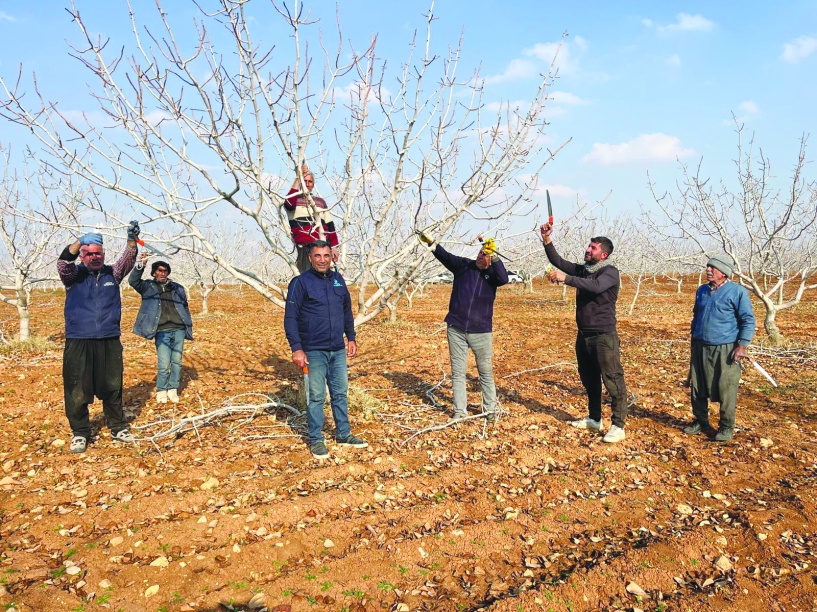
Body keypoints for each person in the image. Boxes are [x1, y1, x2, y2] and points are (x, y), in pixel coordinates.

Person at [540, 223, 629, 443]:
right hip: (584, 335)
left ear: (604, 254)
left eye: (593, 248)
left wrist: (565, 279)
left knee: (612, 380)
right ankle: (594, 418)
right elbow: (559, 262)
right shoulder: (584, 269)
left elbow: (596, 287)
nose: (588, 250)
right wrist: (547, 239)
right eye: (589, 246)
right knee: (589, 379)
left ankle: (618, 425)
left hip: (604, 336)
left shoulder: (609, 272)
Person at [57, 222, 140, 453]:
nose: (95, 257)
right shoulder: (73, 276)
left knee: (112, 385)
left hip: (108, 338)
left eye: (98, 253)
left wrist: (132, 240)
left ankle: (117, 426)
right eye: (89, 253)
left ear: (103, 255)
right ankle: (81, 432)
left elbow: (128, 259)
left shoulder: (112, 274)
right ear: (83, 255)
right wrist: (80, 241)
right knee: (76, 388)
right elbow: (63, 263)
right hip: (79, 339)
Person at [284, 240, 368, 459]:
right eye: (317, 256)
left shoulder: (338, 280)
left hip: (337, 350)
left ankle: (343, 433)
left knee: (340, 393)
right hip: (313, 351)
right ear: (310, 258)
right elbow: (290, 317)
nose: (322, 260)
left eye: (326, 256)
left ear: (332, 257)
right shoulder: (300, 283)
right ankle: (316, 439)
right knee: (316, 396)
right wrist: (297, 348)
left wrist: (351, 337)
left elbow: (346, 311)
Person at [420, 232, 508, 422]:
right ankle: (460, 412)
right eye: (479, 253)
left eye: (484, 255)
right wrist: (433, 244)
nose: (480, 256)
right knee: (458, 373)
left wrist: (495, 256)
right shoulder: (464, 267)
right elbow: (445, 256)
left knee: (485, 372)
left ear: (490, 259)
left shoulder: (493, 275)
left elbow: (504, 278)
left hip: (481, 331)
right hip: (457, 328)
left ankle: (490, 411)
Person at [684, 254, 756, 442]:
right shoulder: (701, 291)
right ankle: (701, 421)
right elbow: (696, 316)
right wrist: (693, 340)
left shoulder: (737, 292)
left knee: (726, 388)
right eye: (708, 267)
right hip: (700, 346)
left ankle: (726, 427)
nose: (708, 270)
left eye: (713, 268)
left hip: (725, 349)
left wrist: (742, 345)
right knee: (697, 387)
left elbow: (748, 320)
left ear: (724, 273)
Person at [129, 253, 194, 404]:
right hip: (161, 331)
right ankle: (161, 390)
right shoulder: (147, 287)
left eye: (165, 271)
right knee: (164, 363)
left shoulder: (176, 287)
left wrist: (187, 323)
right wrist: (142, 264)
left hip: (178, 329)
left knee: (177, 362)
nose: (162, 273)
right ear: (154, 273)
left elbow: (184, 305)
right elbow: (133, 281)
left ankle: (173, 389)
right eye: (159, 270)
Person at [284, 165, 340, 272]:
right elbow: (288, 204)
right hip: (305, 249)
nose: (307, 184)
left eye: (310, 182)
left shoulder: (320, 202)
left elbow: (330, 225)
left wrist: (334, 247)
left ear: (313, 185)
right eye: (304, 181)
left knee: (327, 282)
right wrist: (298, 177)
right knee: (306, 282)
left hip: (324, 247)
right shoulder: (294, 201)